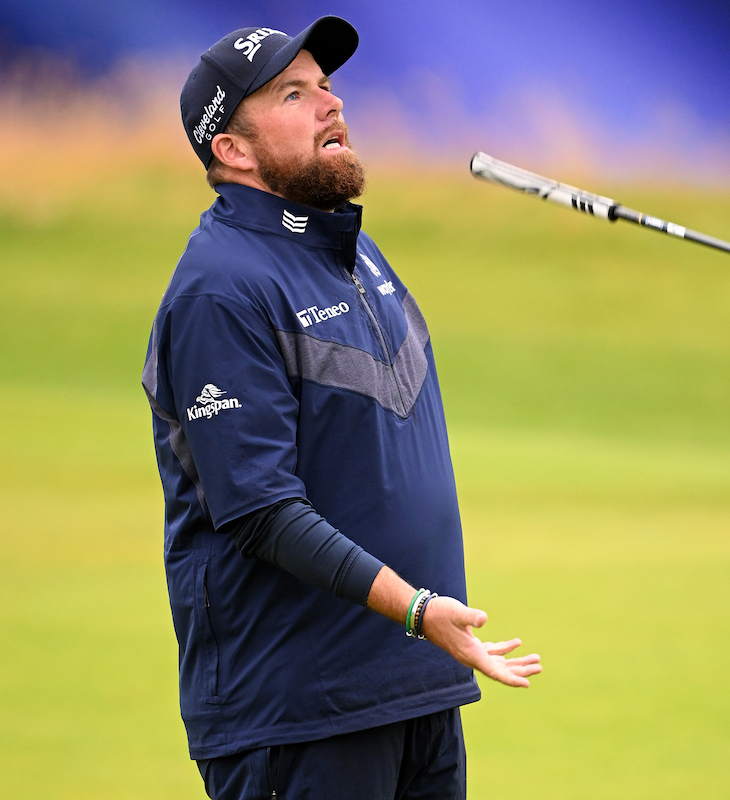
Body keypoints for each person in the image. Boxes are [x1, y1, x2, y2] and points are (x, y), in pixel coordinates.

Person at [142, 16, 541, 800]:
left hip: (414, 687)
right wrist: (416, 608)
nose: (332, 103)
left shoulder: (353, 253)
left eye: (325, 86)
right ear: (232, 149)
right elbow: (261, 512)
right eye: (294, 94)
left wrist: (422, 628)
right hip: (300, 711)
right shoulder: (219, 290)